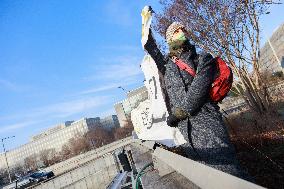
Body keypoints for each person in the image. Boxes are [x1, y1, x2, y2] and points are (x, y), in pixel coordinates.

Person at [143, 21, 248, 179]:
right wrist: (146, 27)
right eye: (176, 31)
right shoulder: (166, 65)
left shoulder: (203, 59)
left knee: (230, 173)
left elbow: (197, 92)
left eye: (183, 30)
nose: (181, 33)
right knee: (204, 177)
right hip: (185, 131)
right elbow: (151, 49)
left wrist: (177, 114)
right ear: (169, 38)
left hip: (207, 123)